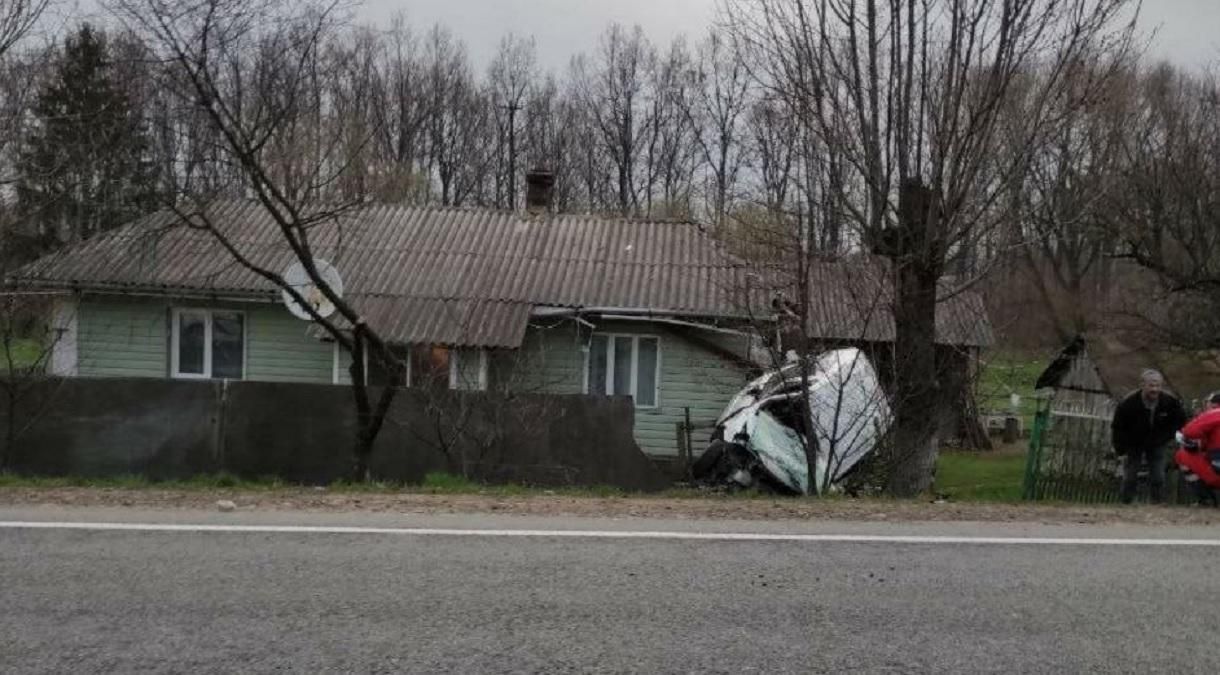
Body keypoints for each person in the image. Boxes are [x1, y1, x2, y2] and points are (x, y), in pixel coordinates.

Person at [1110, 369, 1187, 504]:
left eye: (1158, 386)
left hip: (1158, 441)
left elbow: (1180, 421)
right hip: (1134, 442)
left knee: (1158, 475)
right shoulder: (1128, 403)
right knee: (1131, 475)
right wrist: (1120, 449)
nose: (1155, 389)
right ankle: (1126, 502)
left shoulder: (1169, 402)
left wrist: (1169, 436)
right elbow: (1118, 427)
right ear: (1143, 385)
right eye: (1151, 385)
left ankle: (1157, 503)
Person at [1177, 391, 1220, 505]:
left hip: (1217, 472)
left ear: (1214, 405)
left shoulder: (1215, 413)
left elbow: (1188, 432)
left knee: (1182, 455)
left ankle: (1206, 499)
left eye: (1207, 403)